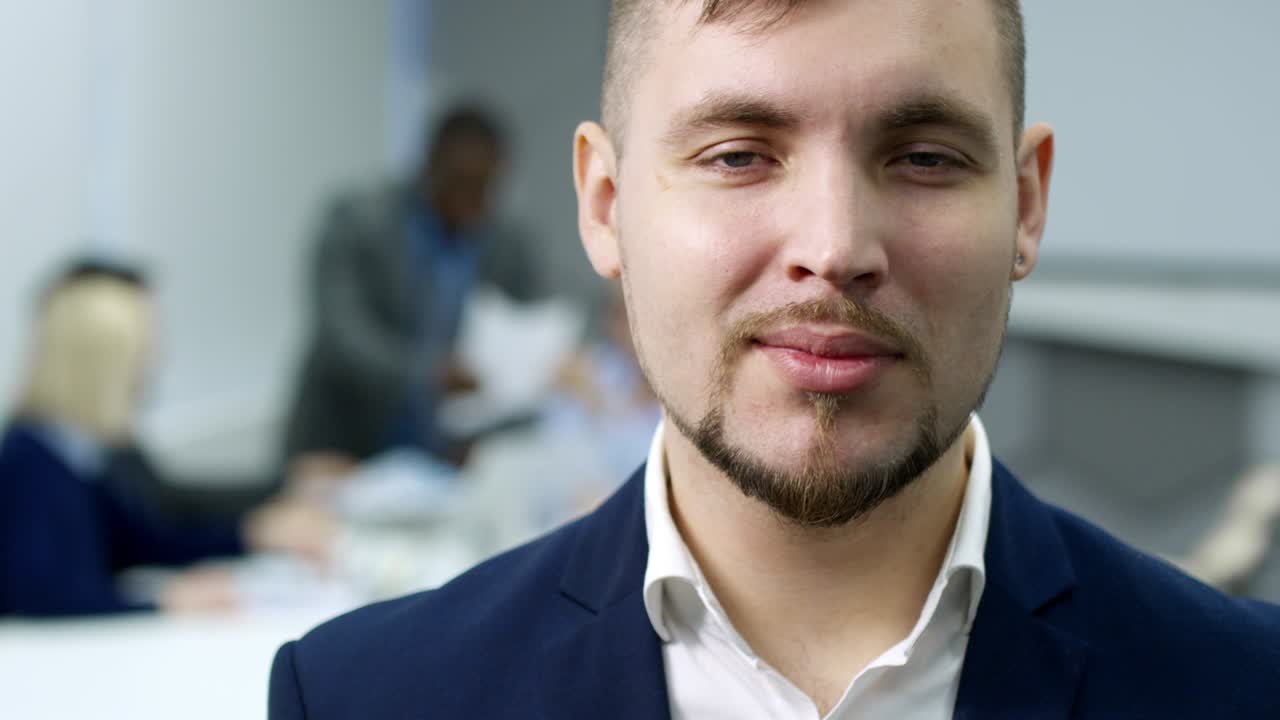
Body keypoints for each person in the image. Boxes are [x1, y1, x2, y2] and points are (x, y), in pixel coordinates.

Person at [269, 1, 1280, 717]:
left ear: (1024, 203)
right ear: (605, 207)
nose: (833, 246)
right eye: (738, 154)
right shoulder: (367, 699)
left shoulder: (1243, 689)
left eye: (923, 156)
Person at [0, 260, 330, 616]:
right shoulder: (32, 465)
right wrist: (159, 602)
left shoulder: (82, 454)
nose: (152, 367)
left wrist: (248, 536)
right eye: (140, 358)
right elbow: (39, 599)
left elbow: (140, 542)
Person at [283, 105, 539, 479]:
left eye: (486, 186)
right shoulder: (358, 221)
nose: (474, 200)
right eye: (463, 183)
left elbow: (522, 324)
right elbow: (342, 335)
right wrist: (430, 374)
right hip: (344, 447)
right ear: (431, 167)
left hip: (446, 458)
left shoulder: (504, 241)